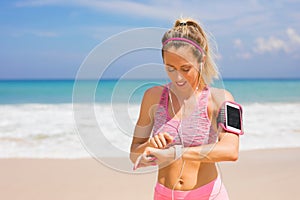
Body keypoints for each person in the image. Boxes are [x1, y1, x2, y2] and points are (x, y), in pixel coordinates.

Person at [130, 18, 240, 200]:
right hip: (164, 195)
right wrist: (150, 146)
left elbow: (230, 151)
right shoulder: (152, 97)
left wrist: (174, 153)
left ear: (201, 60)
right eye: (170, 68)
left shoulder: (221, 99)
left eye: (185, 68)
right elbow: (134, 154)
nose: (178, 77)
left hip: (208, 195)